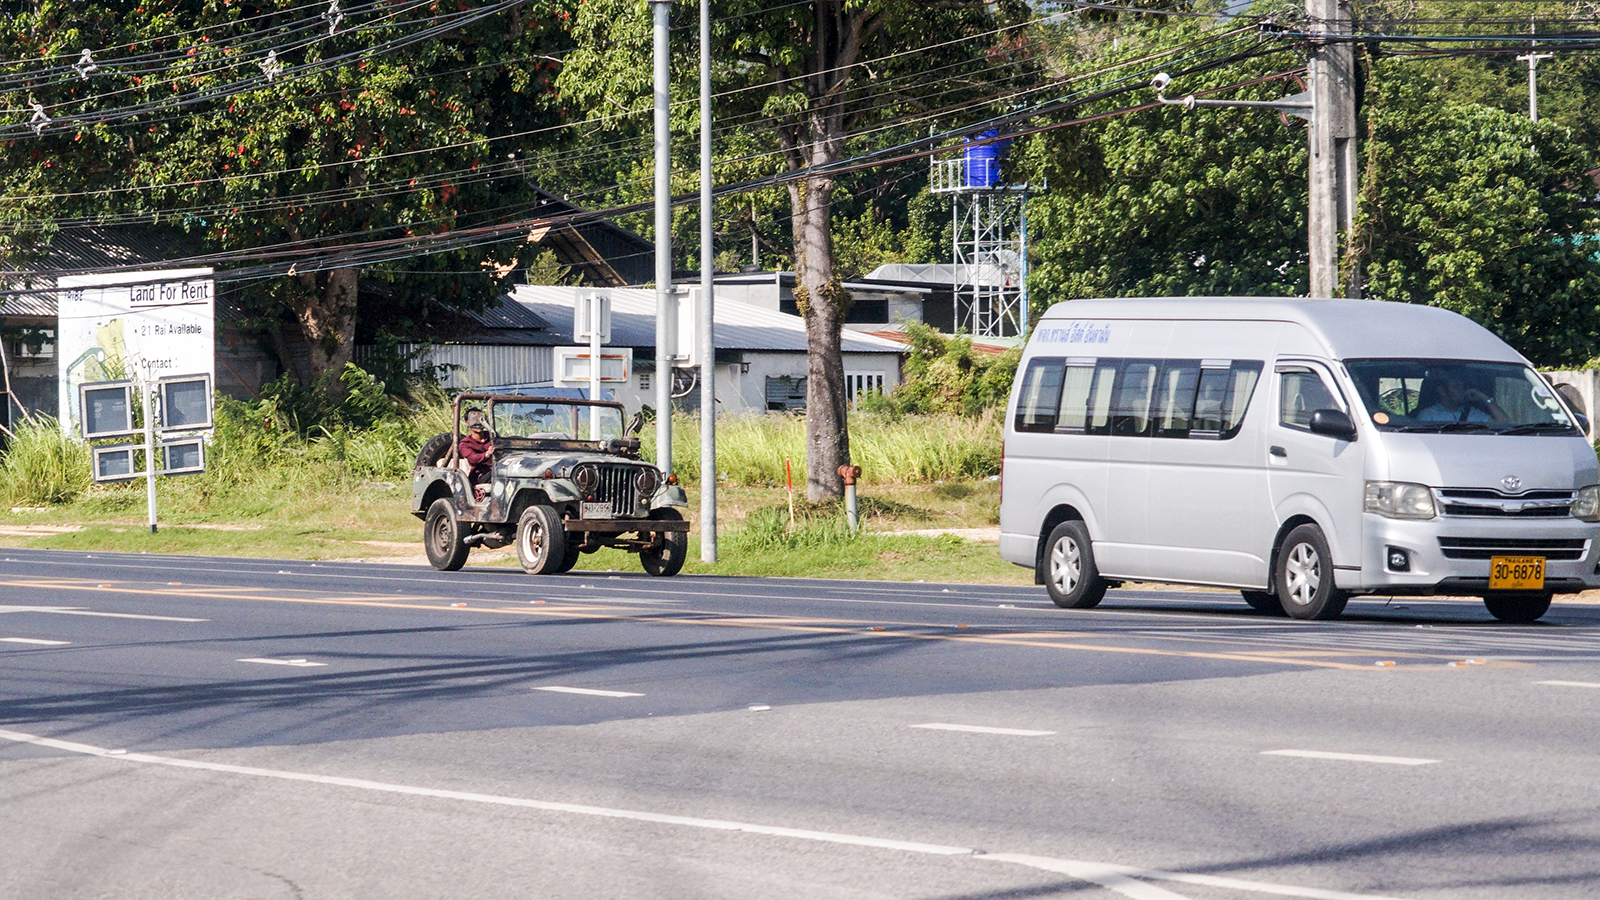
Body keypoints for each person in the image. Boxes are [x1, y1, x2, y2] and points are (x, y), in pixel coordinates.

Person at [1416, 371, 1504, 424]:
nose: (1462, 390)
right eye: (1456, 386)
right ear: (1442, 391)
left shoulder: (1473, 413)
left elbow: (1504, 423)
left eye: (1463, 387)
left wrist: (1484, 398)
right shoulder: (1428, 416)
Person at [458, 408, 495, 487]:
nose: (478, 423)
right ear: (467, 423)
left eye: (481, 419)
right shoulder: (465, 443)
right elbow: (473, 459)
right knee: (499, 473)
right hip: (480, 476)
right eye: (474, 419)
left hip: (498, 468)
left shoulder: (492, 436)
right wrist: (486, 455)